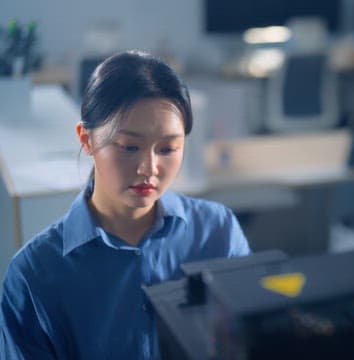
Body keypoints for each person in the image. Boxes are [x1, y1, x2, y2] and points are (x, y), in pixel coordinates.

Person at [0, 50, 251, 359]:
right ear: (86, 139)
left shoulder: (217, 230)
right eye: (130, 147)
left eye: (168, 148)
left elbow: (246, 343)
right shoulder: (34, 275)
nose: (149, 167)